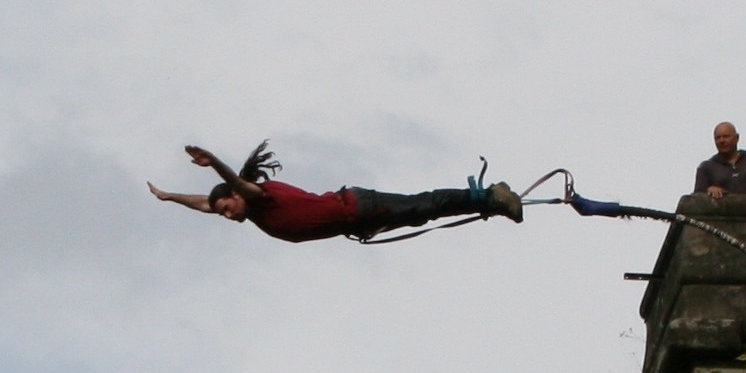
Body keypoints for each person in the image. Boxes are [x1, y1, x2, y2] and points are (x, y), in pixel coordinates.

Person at [149, 141, 521, 242]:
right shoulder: (249, 209)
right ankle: (486, 198)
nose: (227, 216)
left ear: (236, 194)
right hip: (359, 219)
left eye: (227, 208)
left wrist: (214, 161)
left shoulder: (261, 196)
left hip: (359, 207)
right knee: (422, 210)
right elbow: (204, 204)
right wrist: (169, 197)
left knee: (422, 205)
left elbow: (236, 185)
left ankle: (489, 196)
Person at [695, 121, 746, 198]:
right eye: (718, 138)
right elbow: (696, 198)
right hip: (724, 214)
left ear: (737, 138)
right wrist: (708, 190)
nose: (721, 140)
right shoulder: (706, 167)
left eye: (726, 136)